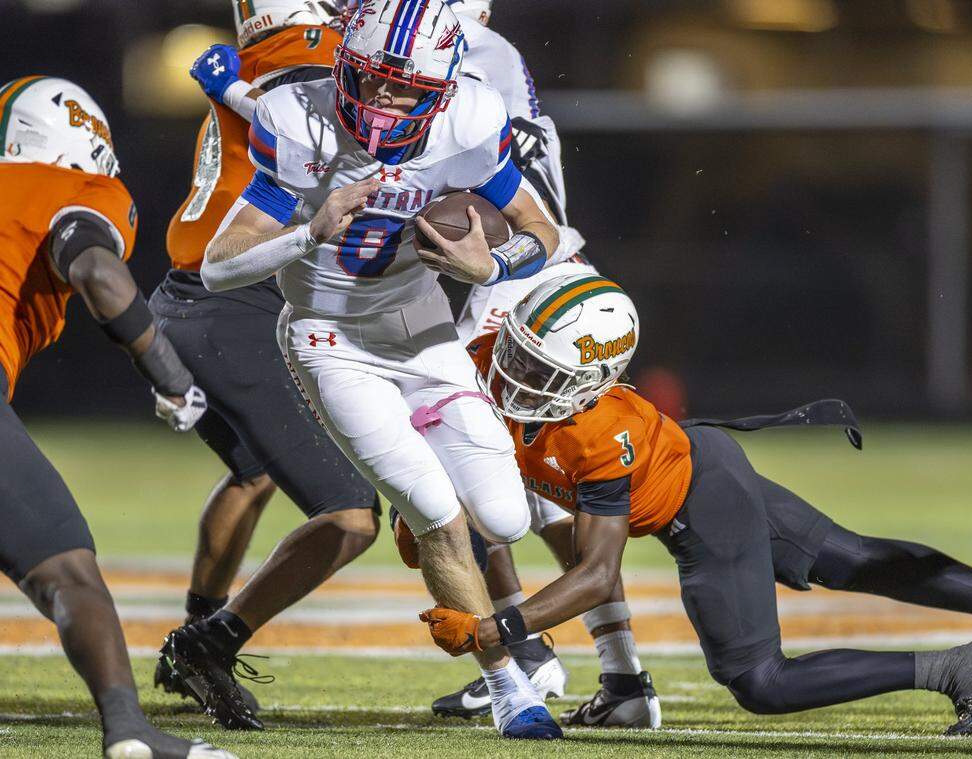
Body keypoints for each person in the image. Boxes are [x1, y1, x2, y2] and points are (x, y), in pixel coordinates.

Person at [420, 272, 972, 736]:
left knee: (760, 680)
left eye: (540, 370)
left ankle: (954, 667)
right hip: (704, 463)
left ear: (594, 380)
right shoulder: (490, 356)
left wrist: (496, 630)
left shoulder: (601, 432)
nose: (512, 372)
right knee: (853, 558)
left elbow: (597, 571)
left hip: (702, 504)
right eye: (515, 350)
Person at [164, 0, 564, 740]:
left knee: (503, 515)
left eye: (402, 88)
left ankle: (492, 633)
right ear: (345, 66)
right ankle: (510, 687)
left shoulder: (471, 119)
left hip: (421, 327)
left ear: (443, 90)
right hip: (328, 337)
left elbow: (549, 229)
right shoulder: (301, 118)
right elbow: (219, 266)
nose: (381, 101)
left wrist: (492, 263)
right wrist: (303, 234)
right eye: (370, 81)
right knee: (434, 514)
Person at [426, 0, 659, 727]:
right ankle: (621, 677)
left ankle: (529, 654)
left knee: (469, 476)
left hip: (510, 283)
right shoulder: (495, 59)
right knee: (541, 495)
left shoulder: (460, 55)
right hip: (542, 272)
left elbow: (443, 179)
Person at [151, 2, 384, 726]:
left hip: (188, 300)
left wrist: (231, 89)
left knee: (253, 474)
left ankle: (193, 631)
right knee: (351, 515)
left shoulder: (255, 63)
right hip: (235, 303)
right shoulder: (306, 55)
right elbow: (318, 123)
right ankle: (208, 643)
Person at [0, 75, 232, 759]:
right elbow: (100, 275)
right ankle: (127, 729)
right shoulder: (78, 190)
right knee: (68, 571)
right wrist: (169, 374)